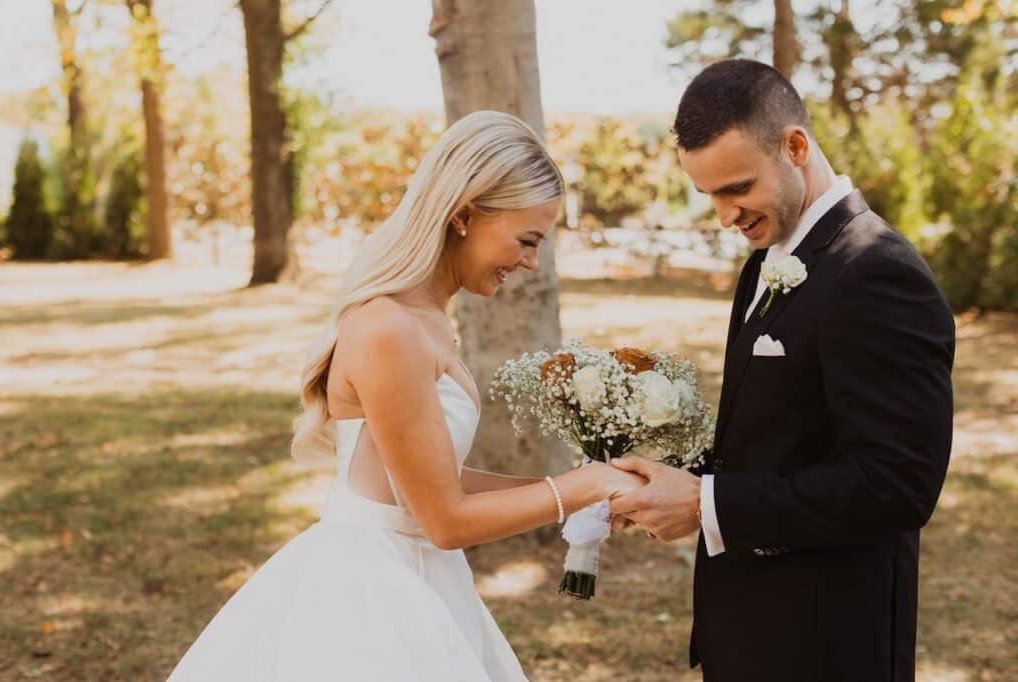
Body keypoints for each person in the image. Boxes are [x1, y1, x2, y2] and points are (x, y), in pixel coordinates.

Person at [168, 110, 645, 682]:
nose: (530, 262)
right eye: (526, 240)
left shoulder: (429, 323)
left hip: (425, 573)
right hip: (370, 593)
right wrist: (583, 486)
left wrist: (578, 493)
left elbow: (433, 477)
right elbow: (443, 517)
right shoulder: (389, 329)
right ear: (464, 215)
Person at [610, 59, 955, 682]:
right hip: (750, 630)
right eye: (709, 194)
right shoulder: (766, 259)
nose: (724, 215)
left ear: (795, 146)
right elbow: (781, 437)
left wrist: (707, 504)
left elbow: (897, 483)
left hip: (826, 643)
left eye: (737, 188)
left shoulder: (878, 272)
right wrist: (675, 483)